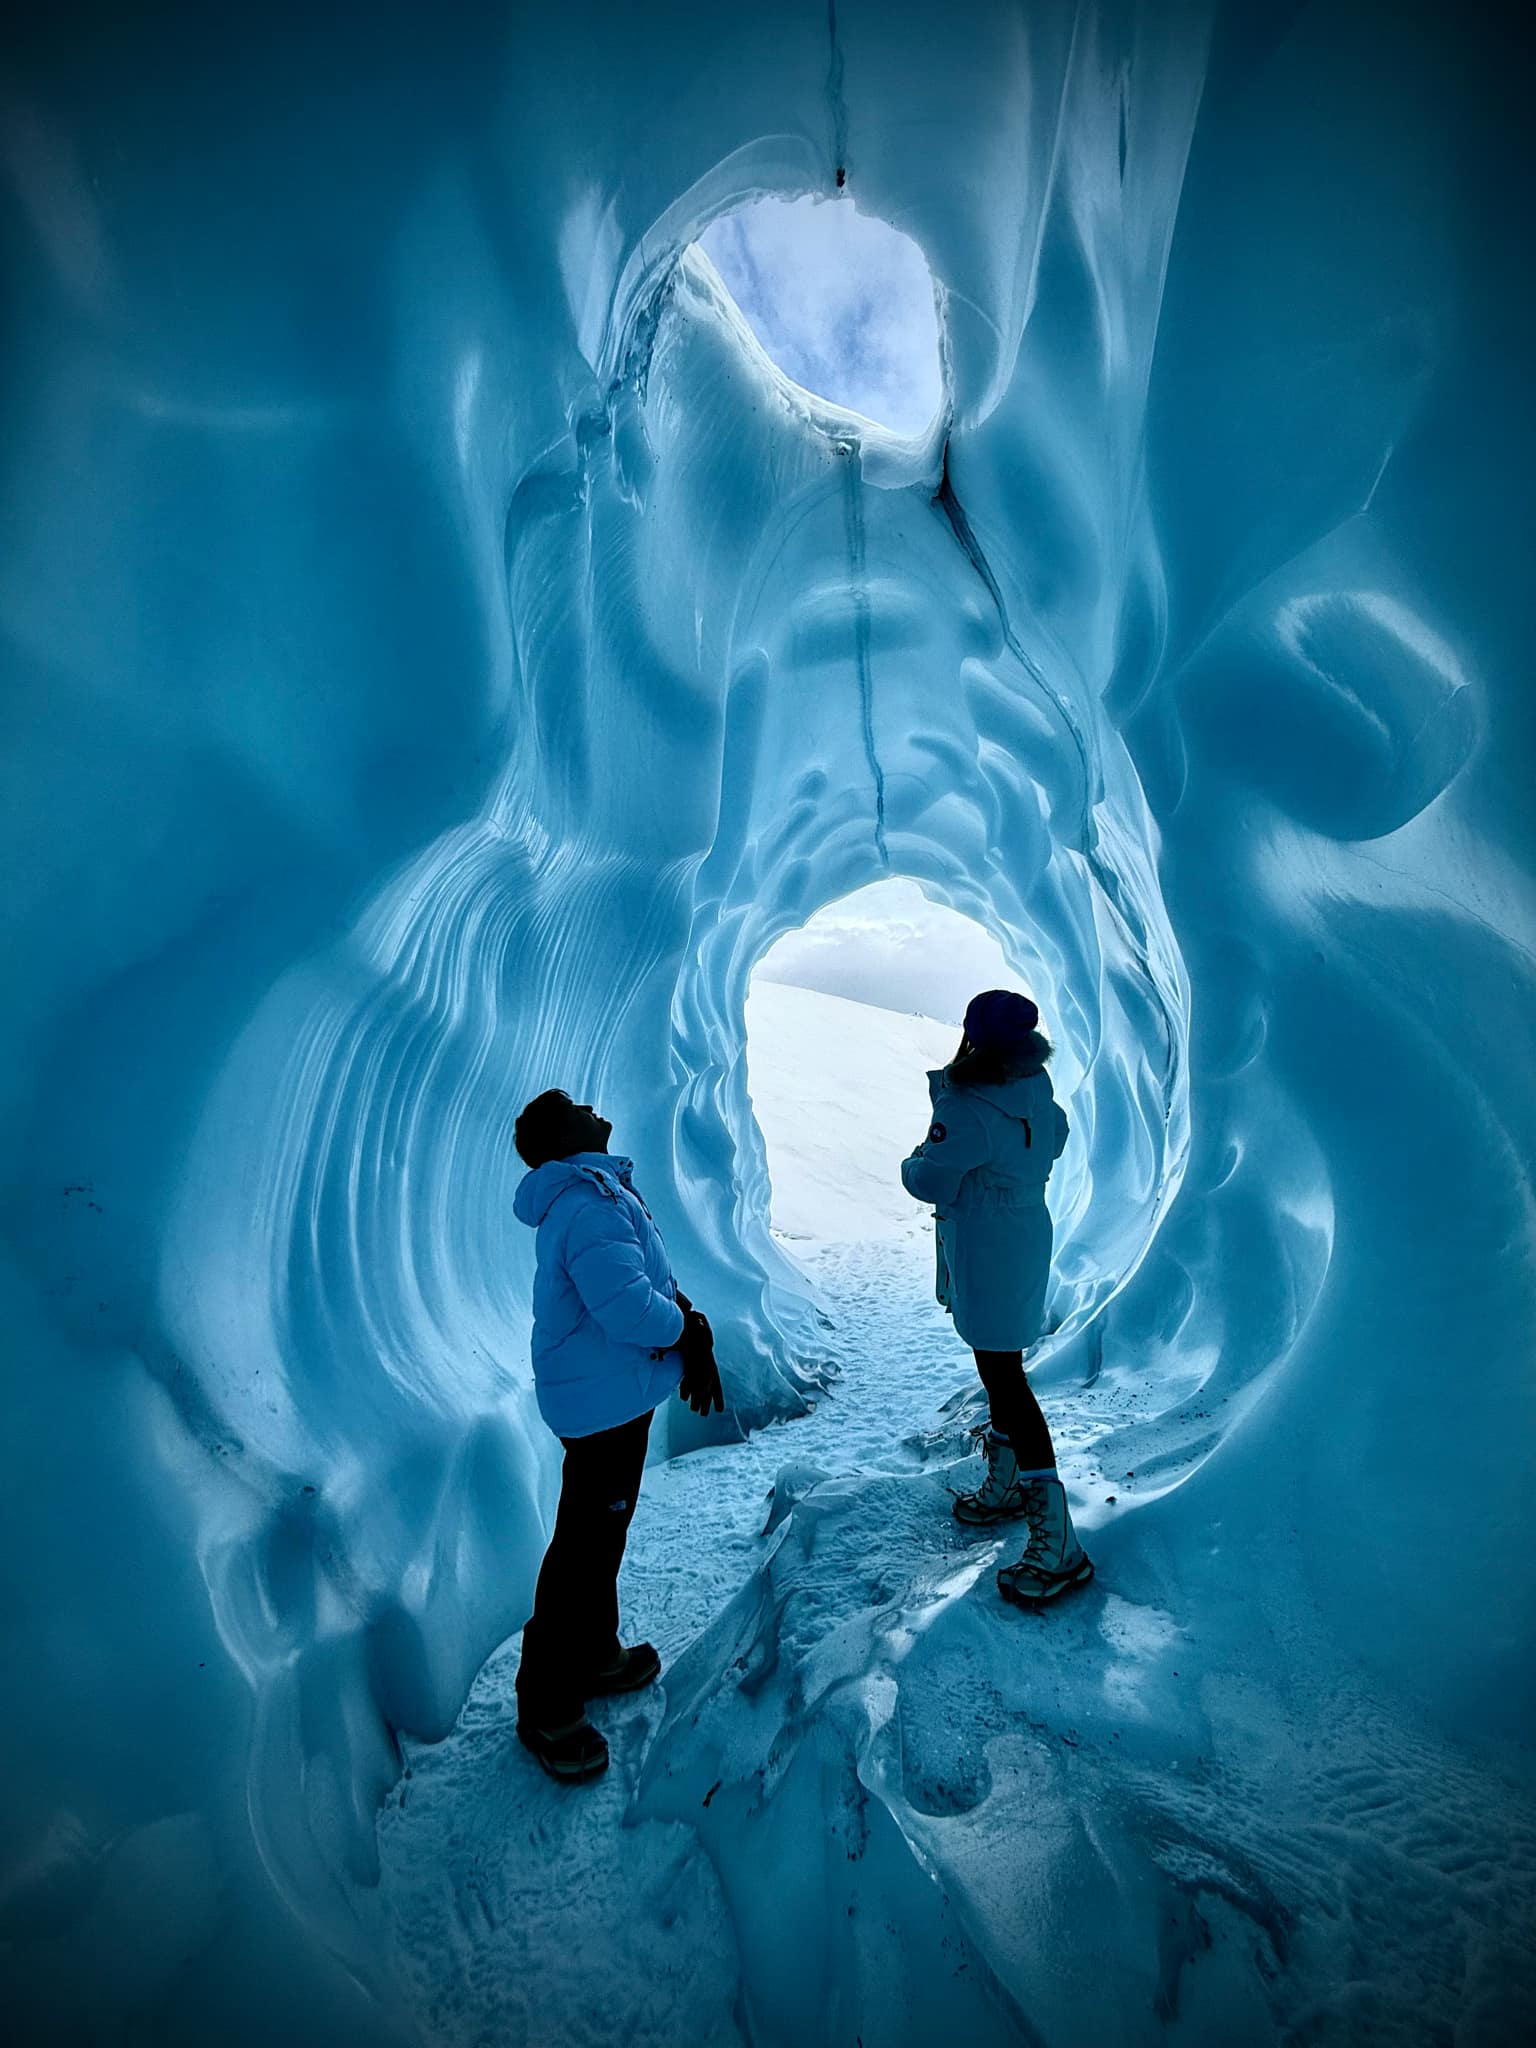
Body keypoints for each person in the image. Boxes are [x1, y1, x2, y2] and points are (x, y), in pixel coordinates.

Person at [511, 1088, 724, 1782]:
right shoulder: (585, 1204)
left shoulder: (598, 1193)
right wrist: (686, 1330)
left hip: (611, 1395)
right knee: (582, 1544)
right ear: (562, 1136)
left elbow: (644, 1279)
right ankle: (545, 1702)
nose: (592, 1105)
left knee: (602, 1530)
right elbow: (627, 1307)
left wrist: (684, 1315)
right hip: (601, 1403)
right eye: (573, 1105)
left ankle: (597, 1652)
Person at [900, 989, 1093, 1606]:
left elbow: (931, 1177)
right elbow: (1056, 1138)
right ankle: (1008, 1486)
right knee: (1002, 1367)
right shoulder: (1038, 1089)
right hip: (1025, 1233)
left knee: (1005, 1379)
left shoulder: (967, 1104)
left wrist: (914, 1158)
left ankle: (1057, 1545)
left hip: (985, 1243)